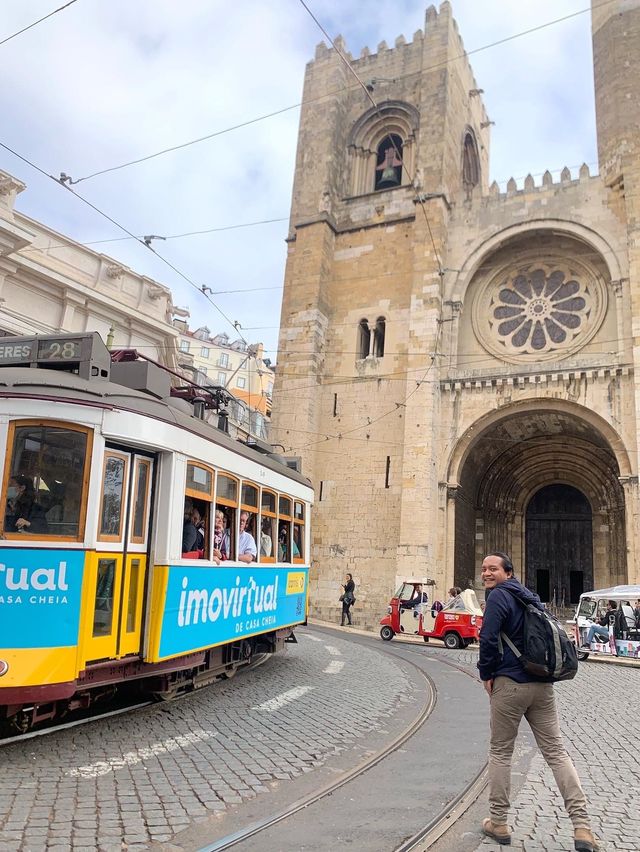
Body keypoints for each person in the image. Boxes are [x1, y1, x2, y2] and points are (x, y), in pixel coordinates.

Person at [478, 551, 596, 852]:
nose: (487, 573)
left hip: (510, 684)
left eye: (493, 569)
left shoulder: (497, 598)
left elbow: (489, 639)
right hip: (542, 684)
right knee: (556, 752)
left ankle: (499, 821)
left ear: (508, 572)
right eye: (484, 569)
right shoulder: (530, 597)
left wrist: (487, 674)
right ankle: (582, 827)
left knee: (501, 752)